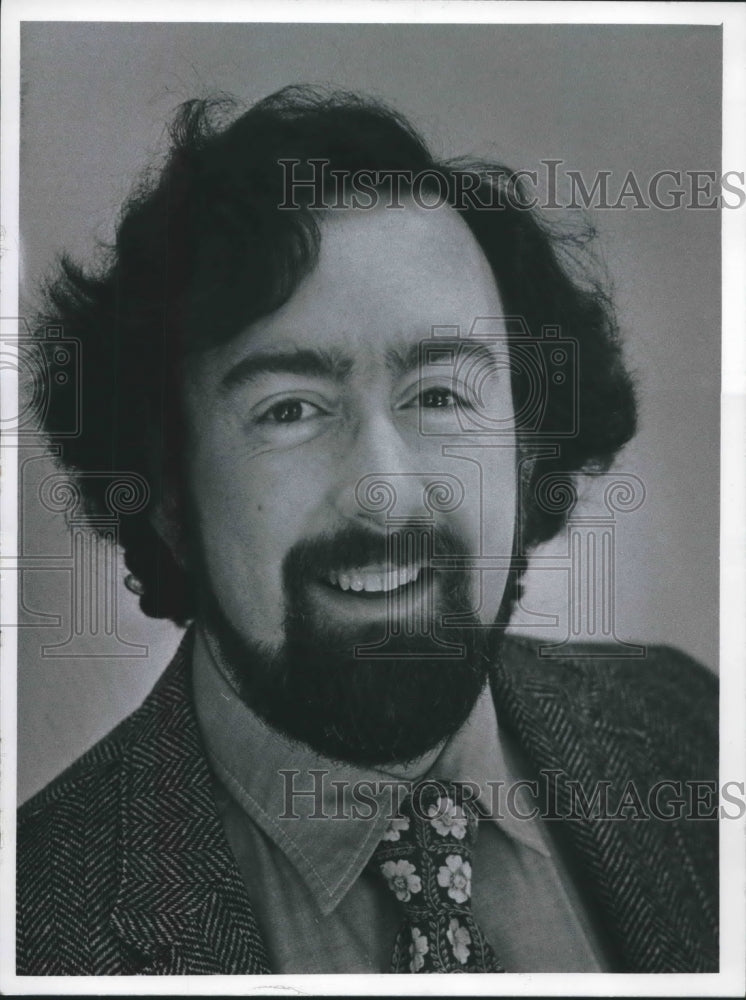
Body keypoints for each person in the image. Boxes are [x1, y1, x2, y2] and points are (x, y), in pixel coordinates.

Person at [17, 85, 718, 975]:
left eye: (439, 395)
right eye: (291, 409)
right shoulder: (33, 925)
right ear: (164, 489)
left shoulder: (693, 729)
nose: (384, 492)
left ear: (529, 444)